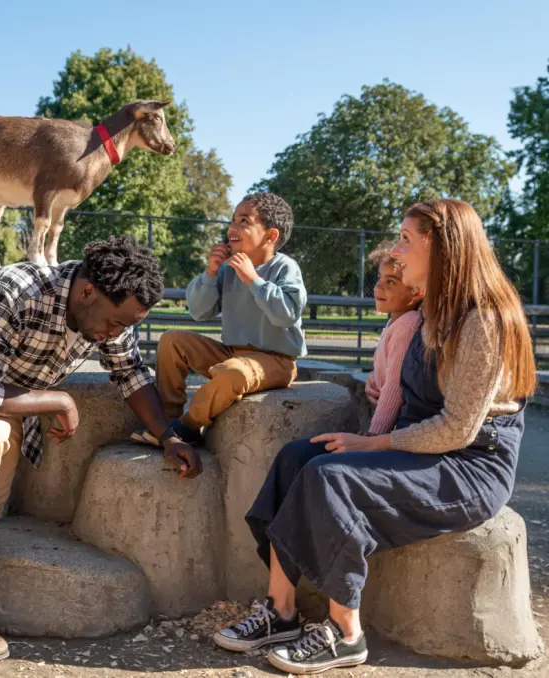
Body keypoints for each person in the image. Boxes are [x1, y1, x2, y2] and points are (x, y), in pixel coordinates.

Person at [213, 199, 536, 675]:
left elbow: (456, 429)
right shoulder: (430, 310)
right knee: (297, 457)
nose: (398, 252)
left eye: (407, 239)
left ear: (443, 247)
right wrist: (372, 420)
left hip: (469, 465)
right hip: (421, 445)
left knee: (332, 477)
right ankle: (280, 612)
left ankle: (346, 633)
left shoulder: (482, 321)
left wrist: (372, 445)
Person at [0, 235, 202, 665]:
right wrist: (56, 400)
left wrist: (168, 437)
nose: (118, 333)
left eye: (129, 325)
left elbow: (131, 373)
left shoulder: (106, 310)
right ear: (87, 292)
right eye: (118, 323)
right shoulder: (11, 290)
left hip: (6, 386)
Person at [132, 192, 307, 446]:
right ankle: (167, 420)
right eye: (233, 220)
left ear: (271, 235)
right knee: (172, 341)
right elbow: (200, 312)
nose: (232, 228)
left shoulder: (285, 267)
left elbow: (287, 314)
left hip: (277, 360)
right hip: (233, 352)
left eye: (244, 221)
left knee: (232, 371)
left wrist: (253, 280)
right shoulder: (228, 268)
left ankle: (189, 426)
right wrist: (211, 273)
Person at [364, 240, 424, 435]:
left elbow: (395, 388)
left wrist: (374, 435)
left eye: (390, 282)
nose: (378, 287)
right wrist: (373, 379)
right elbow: (386, 366)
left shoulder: (407, 324)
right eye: (380, 278)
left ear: (415, 292)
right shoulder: (395, 321)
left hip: (397, 428)